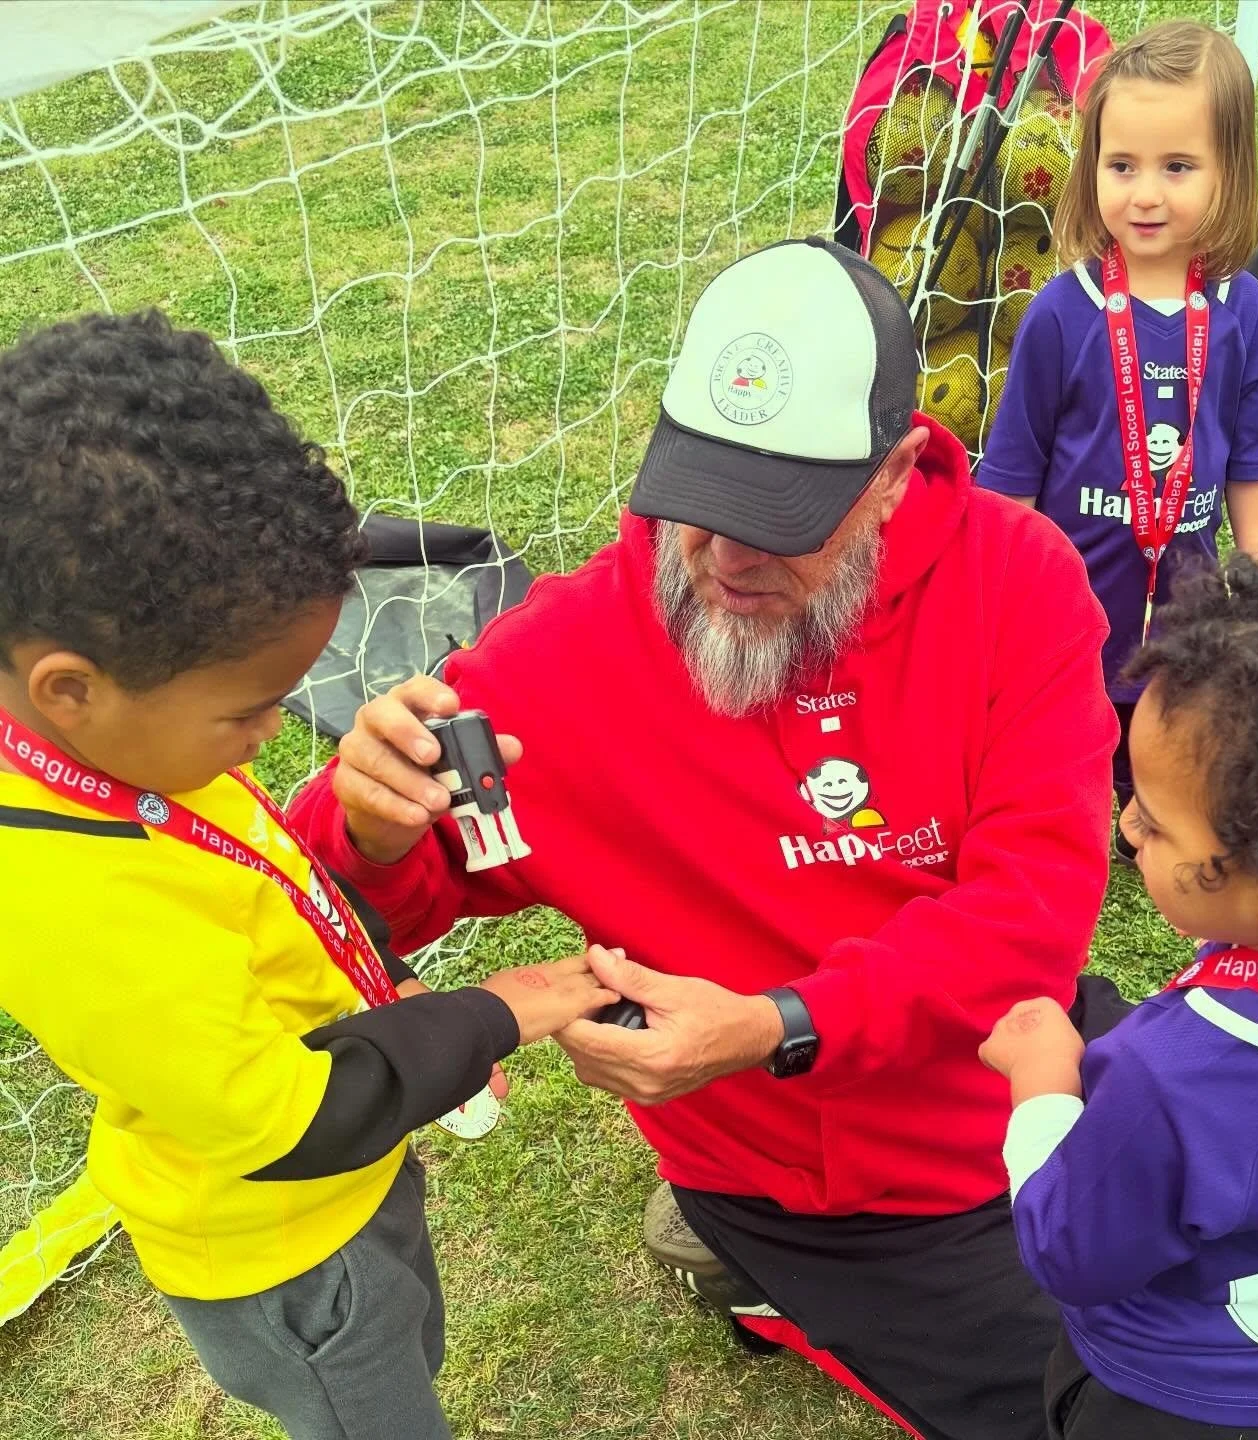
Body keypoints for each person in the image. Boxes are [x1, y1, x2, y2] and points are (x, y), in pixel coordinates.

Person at [291, 235, 1122, 1440]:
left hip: (1011, 1084)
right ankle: (748, 1255)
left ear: (896, 473)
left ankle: (743, 1267)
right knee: (1096, 1418)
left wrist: (775, 1027)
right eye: (705, 496)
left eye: (786, 515)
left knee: (1245, 1323)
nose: (728, 554)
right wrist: (367, 824)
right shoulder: (563, 658)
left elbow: (1030, 919)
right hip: (808, 1190)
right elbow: (346, 900)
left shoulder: (1019, 584)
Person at [0, 311, 616, 1440]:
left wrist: (393, 977)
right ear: (68, 689)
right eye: (248, 710)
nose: (278, 731)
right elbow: (294, 1121)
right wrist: (495, 1014)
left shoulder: (119, 750)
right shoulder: (68, 903)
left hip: (352, 1186)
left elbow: (277, 885)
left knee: (411, 1340)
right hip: (288, 1259)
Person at [980, 535, 1258, 1440]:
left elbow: (1070, 1250)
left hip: (1176, 1403)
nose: (1125, 823)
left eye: (1153, 822)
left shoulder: (1170, 1076)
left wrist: (1042, 1084)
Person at [978, 21, 1258, 859]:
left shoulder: (1244, 313)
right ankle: (1060, 796)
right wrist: (995, 579)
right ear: (1092, 170)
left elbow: (1254, 449)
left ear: (1230, 174)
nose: (1145, 195)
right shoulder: (1062, 311)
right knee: (1059, 707)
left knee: (1170, 707)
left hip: (1182, 586)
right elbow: (1012, 465)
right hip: (1066, 585)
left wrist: (1254, 563)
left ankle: (1144, 800)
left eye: (1177, 167)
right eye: (1122, 166)